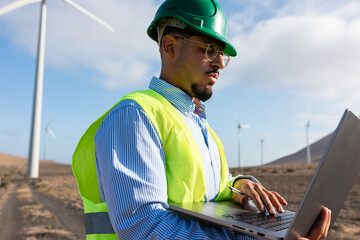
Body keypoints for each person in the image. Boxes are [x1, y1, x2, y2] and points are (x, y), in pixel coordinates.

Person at [72, 0, 331, 239]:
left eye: (222, 54)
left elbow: (208, 190)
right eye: (209, 49)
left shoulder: (198, 125)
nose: (220, 62)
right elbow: (145, 227)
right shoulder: (136, 115)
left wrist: (240, 186)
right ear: (170, 46)